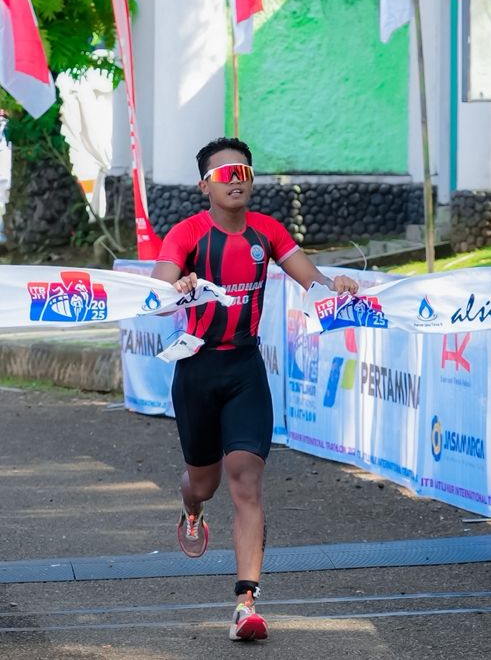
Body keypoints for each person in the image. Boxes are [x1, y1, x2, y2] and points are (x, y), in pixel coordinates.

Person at [151, 137, 359, 642]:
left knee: (246, 480)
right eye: (225, 175)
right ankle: (192, 508)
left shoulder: (267, 231)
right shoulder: (187, 234)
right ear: (204, 186)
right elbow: (156, 294)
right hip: (196, 370)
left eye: (243, 172)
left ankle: (245, 605)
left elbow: (313, 282)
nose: (236, 181)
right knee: (203, 483)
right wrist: (175, 288)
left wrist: (337, 287)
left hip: (245, 369)